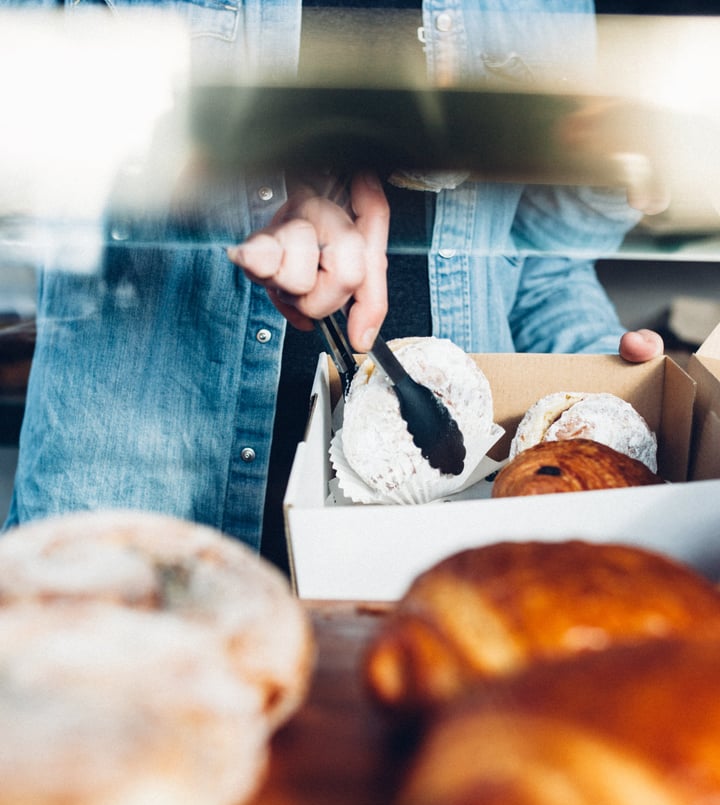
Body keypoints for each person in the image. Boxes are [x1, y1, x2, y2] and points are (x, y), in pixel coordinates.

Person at [0, 0, 663, 575]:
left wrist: (600, 374)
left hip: (443, 557)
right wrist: (248, 184)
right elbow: (25, 141)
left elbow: (537, 265)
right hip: (130, 544)